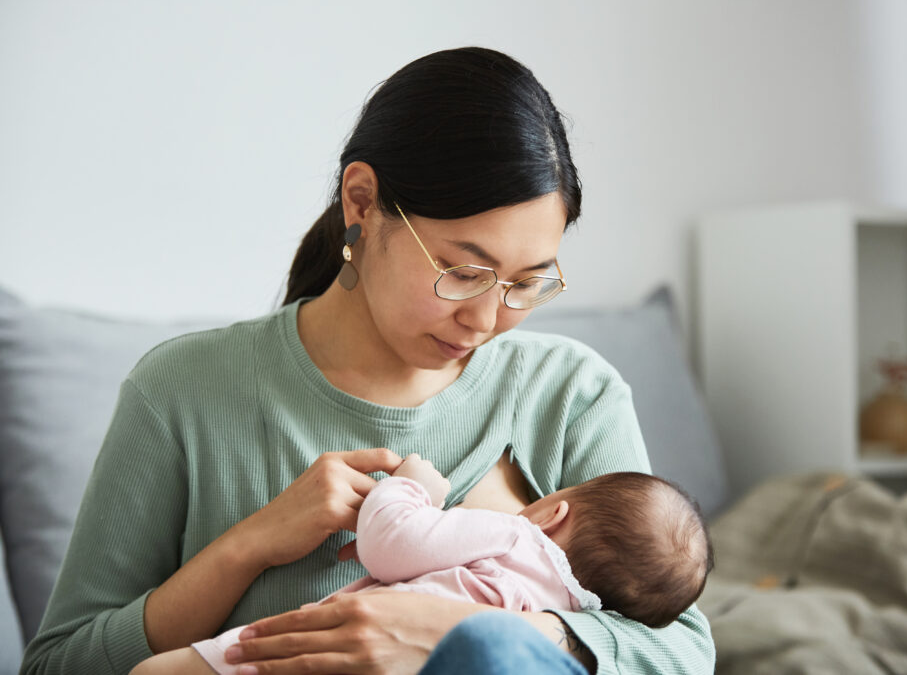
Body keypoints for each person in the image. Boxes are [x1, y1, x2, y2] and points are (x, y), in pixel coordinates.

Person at [20, 47, 715, 675]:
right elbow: (59, 663)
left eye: (527, 281)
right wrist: (248, 545)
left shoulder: (570, 394)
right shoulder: (181, 391)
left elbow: (681, 647)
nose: (486, 318)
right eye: (464, 271)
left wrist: (483, 632)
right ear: (362, 203)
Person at [129, 456, 713, 674]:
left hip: (315, 649)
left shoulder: (514, 535)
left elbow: (391, 542)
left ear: (553, 511)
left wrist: (411, 487)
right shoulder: (558, 609)